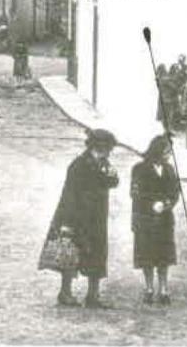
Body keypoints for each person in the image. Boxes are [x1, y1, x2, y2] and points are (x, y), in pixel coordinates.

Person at [42, 129, 120, 308]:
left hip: (97, 218)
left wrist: (112, 175)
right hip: (76, 217)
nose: (110, 152)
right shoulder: (79, 165)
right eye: (108, 148)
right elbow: (69, 194)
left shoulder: (103, 163)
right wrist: (66, 223)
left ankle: (93, 296)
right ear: (99, 147)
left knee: (98, 254)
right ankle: (65, 293)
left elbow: (113, 183)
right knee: (71, 254)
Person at [131, 135, 181, 306]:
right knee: (146, 254)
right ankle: (149, 288)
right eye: (166, 151)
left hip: (164, 219)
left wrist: (166, 204)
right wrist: (152, 204)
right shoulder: (139, 169)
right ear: (157, 151)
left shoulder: (169, 169)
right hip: (145, 218)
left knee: (163, 255)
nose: (168, 155)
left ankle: (164, 289)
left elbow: (175, 192)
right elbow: (135, 193)